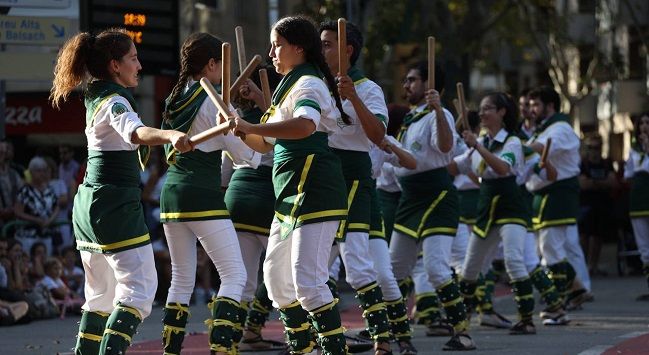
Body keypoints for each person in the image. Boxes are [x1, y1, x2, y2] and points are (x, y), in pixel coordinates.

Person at [49, 28, 191, 354]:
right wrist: (169, 135)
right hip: (113, 204)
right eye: (133, 58)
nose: (139, 65)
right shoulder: (114, 101)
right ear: (115, 65)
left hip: (89, 205)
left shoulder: (96, 97)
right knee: (140, 291)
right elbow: (135, 132)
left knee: (99, 297)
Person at [233, 15, 349, 355]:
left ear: (298, 47)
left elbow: (304, 126)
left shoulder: (309, 84)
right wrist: (240, 130)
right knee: (276, 280)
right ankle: (305, 349)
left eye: (277, 44)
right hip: (289, 194)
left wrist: (251, 126)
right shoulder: (289, 86)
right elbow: (266, 146)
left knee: (309, 283)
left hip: (314, 189)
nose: (270, 52)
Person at [158, 32, 261, 355]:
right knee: (235, 274)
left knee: (182, 278)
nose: (223, 74)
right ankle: (221, 349)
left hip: (171, 193)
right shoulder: (215, 102)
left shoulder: (175, 98)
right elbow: (244, 156)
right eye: (222, 67)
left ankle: (171, 350)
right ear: (212, 64)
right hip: (202, 195)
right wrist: (260, 143)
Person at [319, 20, 416, 355]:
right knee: (316, 267)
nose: (322, 50)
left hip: (355, 180)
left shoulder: (369, 88)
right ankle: (324, 338)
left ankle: (387, 339)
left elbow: (377, 135)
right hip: (325, 177)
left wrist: (353, 97)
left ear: (348, 50)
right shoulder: (316, 83)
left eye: (329, 44)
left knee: (364, 267)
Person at [450, 92, 564, 335]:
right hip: (486, 209)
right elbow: (456, 166)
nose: (481, 113)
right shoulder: (480, 142)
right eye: (480, 109)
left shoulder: (512, 142)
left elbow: (503, 168)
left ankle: (526, 319)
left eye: (488, 108)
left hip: (511, 207)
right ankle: (461, 320)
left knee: (515, 260)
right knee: (470, 268)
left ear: (502, 112)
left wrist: (476, 146)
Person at [387, 61, 475, 350]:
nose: (406, 85)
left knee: (437, 268)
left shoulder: (441, 114)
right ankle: (392, 332)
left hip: (436, 196)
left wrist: (438, 109)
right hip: (410, 200)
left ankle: (462, 332)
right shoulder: (410, 119)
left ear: (429, 85)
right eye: (405, 80)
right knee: (394, 269)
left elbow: (447, 147)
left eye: (412, 80)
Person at [525, 86, 579, 324]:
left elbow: (541, 149)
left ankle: (557, 306)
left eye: (536, 104)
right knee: (544, 251)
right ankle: (576, 289)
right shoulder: (544, 128)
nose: (531, 109)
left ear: (550, 106)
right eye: (531, 104)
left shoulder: (561, 128)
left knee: (552, 251)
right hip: (543, 196)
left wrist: (514, 145)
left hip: (558, 194)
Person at [579, 134, 617, 277]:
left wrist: (593, 183)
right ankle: (583, 266)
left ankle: (593, 266)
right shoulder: (583, 164)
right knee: (584, 237)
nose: (594, 151)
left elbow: (613, 182)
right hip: (585, 205)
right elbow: (582, 184)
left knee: (598, 237)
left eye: (597, 147)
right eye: (590, 147)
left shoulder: (607, 163)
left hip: (602, 205)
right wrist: (602, 183)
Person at [624, 112, 649, 301]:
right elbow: (628, 174)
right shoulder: (633, 149)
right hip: (638, 199)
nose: (644, 127)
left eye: (648, 123)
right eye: (641, 124)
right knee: (644, 247)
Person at [13, 156, 59, 257]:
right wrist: (36, 220)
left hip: (46, 234)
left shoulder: (49, 189)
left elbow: (57, 206)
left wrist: (49, 220)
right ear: (32, 172)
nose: (42, 174)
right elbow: (17, 211)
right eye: (39, 171)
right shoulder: (25, 190)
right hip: (28, 235)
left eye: (44, 170)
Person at [0, 142, 24, 230]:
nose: (2, 155)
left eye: (3, 153)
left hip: (13, 223)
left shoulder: (14, 174)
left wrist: (16, 208)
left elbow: (23, 193)